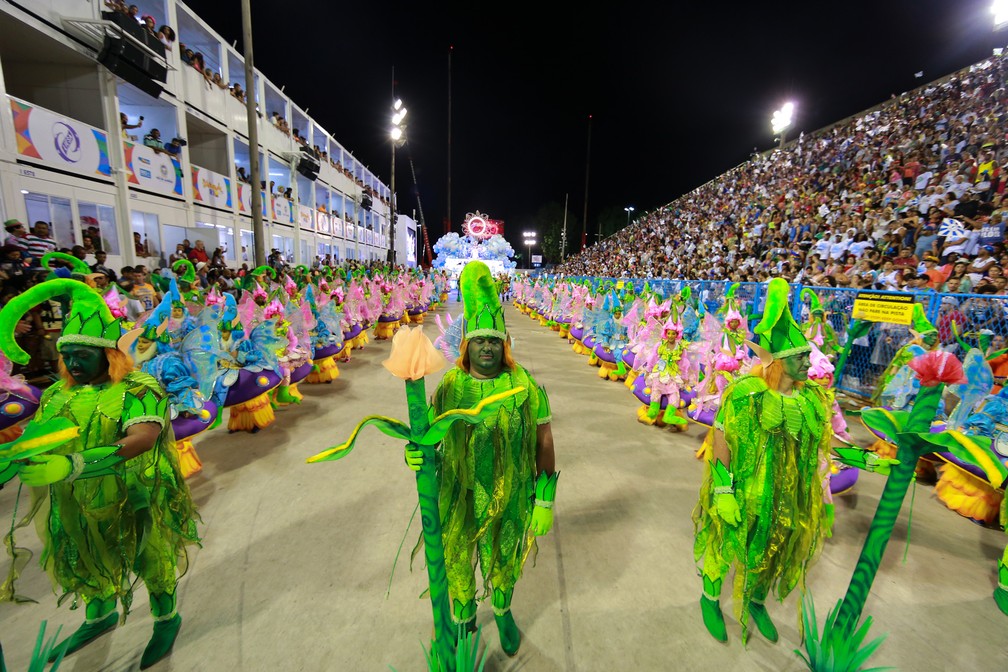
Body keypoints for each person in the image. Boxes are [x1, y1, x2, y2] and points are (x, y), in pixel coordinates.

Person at [0, 279, 200, 668]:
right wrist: (12, 458)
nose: (73, 363)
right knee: (86, 555)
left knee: (152, 556)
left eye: (82, 355)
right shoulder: (59, 392)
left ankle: (165, 618)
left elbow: (142, 438)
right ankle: (100, 617)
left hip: (137, 490)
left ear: (109, 355)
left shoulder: (140, 387)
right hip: (77, 499)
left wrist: (75, 464)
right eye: (67, 355)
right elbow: (40, 436)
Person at [406, 261, 556, 656]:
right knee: (456, 557)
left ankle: (503, 610)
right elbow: (432, 438)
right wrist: (416, 455)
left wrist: (545, 497)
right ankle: (465, 615)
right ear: (466, 345)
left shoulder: (523, 384)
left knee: (505, 554)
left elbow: (544, 439)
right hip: (459, 492)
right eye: (479, 341)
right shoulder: (451, 385)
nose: (486, 347)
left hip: (510, 494)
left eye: (493, 341)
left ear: (503, 345)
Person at [693, 278, 833, 643]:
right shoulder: (745, 392)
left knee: (773, 547)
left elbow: (821, 446)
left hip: (785, 492)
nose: (809, 361)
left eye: (807, 355)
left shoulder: (811, 397)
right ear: (781, 361)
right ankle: (710, 599)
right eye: (801, 356)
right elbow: (721, 437)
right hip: (743, 485)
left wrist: (861, 461)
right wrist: (723, 488)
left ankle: (756, 600)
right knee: (725, 541)